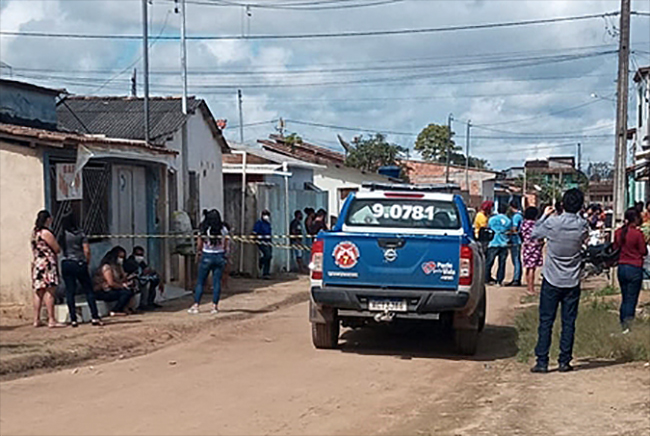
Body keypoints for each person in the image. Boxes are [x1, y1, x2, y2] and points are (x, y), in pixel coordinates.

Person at [530, 189, 589, 374]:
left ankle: (542, 361)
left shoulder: (553, 223)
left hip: (551, 279)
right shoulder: (582, 225)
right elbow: (584, 239)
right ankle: (564, 361)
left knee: (546, 321)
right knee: (568, 322)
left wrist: (544, 216)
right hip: (572, 280)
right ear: (580, 206)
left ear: (562, 204)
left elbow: (534, 233)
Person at [58, 212, 103, 327]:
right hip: (79, 262)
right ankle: (95, 316)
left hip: (67, 263)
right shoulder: (80, 234)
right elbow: (86, 250)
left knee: (70, 291)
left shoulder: (62, 234)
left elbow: (59, 248)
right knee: (88, 290)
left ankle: (73, 319)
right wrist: (86, 262)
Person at [188, 209, 229, 314]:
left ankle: (196, 305)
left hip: (207, 255)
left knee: (201, 282)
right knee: (216, 283)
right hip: (219, 256)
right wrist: (225, 254)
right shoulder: (223, 229)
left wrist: (199, 253)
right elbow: (226, 245)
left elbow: (199, 244)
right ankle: (214, 306)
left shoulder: (204, 229)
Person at [614, 208, 648, 333]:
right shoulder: (637, 234)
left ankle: (623, 324)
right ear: (636, 219)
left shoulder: (618, 232)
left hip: (622, 267)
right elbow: (643, 251)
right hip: (634, 268)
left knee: (624, 298)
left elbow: (615, 248)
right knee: (631, 299)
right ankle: (628, 327)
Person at [31, 210, 65, 328]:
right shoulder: (46, 233)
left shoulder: (35, 233)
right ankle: (51, 319)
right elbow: (56, 248)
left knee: (38, 292)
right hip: (47, 264)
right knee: (50, 291)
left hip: (38, 263)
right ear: (47, 219)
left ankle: (36, 319)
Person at [93, 246, 135, 317]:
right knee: (125, 293)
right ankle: (115, 310)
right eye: (120, 257)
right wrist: (122, 286)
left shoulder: (117, 266)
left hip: (111, 289)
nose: (121, 259)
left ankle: (126, 308)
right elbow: (111, 283)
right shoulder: (107, 267)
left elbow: (120, 279)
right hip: (102, 291)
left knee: (131, 290)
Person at [126, 246, 163, 311]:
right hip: (133, 279)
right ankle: (143, 304)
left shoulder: (141, 262)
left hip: (141, 278)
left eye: (141, 255)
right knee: (145, 284)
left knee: (153, 281)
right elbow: (135, 272)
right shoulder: (130, 261)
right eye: (138, 255)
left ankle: (150, 302)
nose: (140, 257)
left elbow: (146, 269)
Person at [485, 202, 511, 286]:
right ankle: (499, 280)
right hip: (504, 243)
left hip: (493, 242)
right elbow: (509, 230)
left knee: (489, 262)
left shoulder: (492, 219)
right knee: (502, 263)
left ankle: (486, 279)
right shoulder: (508, 220)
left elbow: (488, 228)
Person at [521, 207, 543, 296]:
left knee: (527, 267)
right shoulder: (535, 224)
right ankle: (531, 288)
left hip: (526, 247)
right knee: (532, 269)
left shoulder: (524, 224)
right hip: (534, 247)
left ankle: (528, 287)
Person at [506, 199, 524, 287]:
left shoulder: (516, 217)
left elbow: (515, 228)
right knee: (516, 260)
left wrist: (508, 232)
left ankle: (516, 279)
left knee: (516, 260)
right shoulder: (520, 215)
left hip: (515, 240)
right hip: (518, 240)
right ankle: (516, 278)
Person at [253, 210, 273, 279]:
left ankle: (266, 273)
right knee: (267, 255)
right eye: (265, 215)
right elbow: (254, 233)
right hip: (262, 242)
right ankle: (261, 261)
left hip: (268, 242)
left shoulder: (268, 224)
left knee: (269, 257)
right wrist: (256, 240)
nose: (266, 216)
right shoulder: (259, 223)